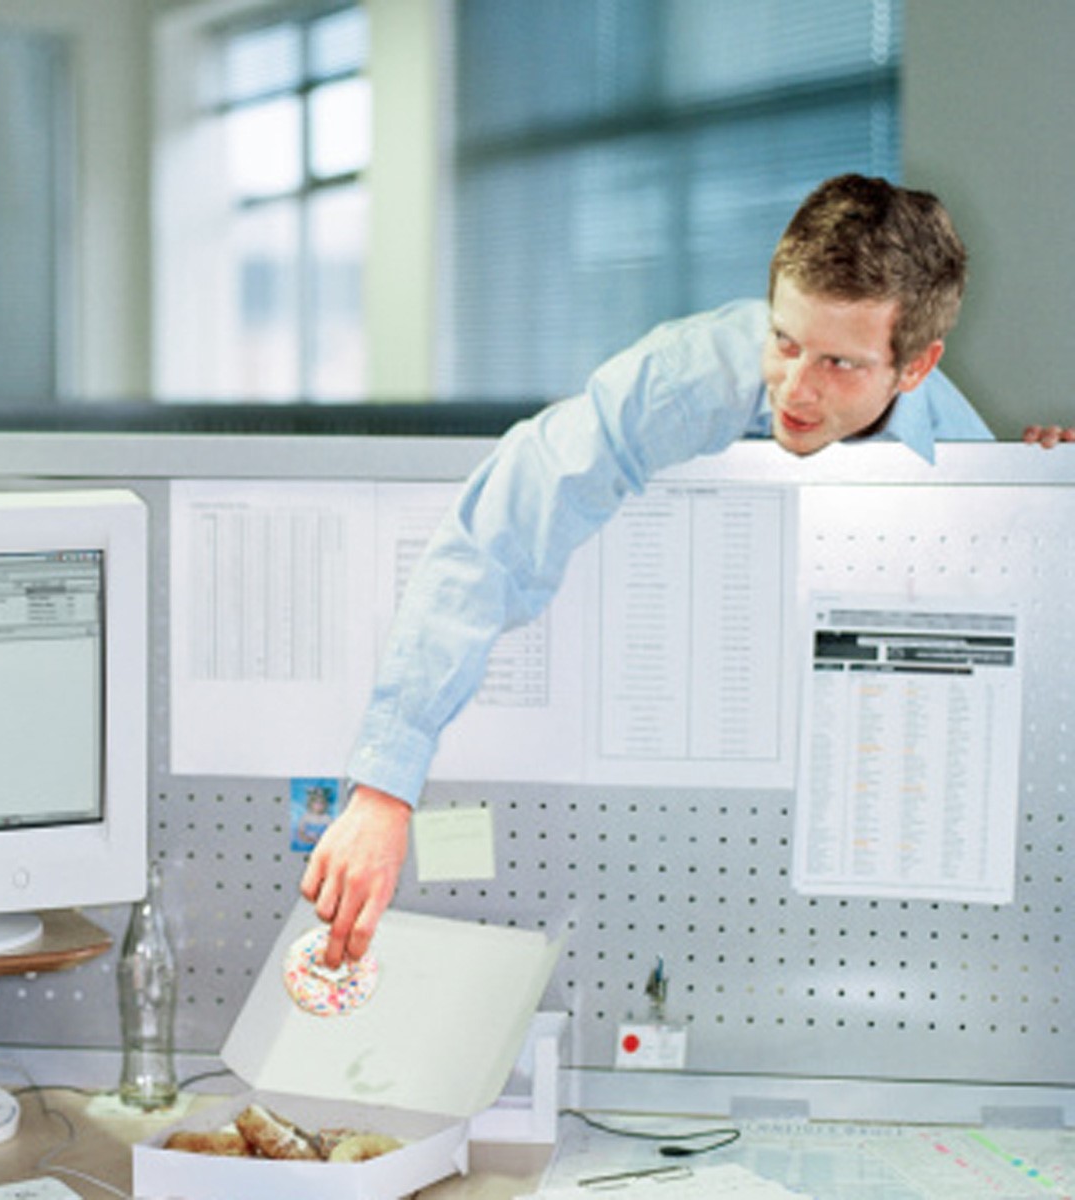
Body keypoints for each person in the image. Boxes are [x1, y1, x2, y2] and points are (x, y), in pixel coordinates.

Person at [301, 173, 1069, 968]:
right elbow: (499, 532)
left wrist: (1050, 502)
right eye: (785, 340)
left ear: (913, 369)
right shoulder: (689, 376)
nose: (796, 389)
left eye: (840, 363)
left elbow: (1009, 639)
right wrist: (385, 790)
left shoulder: (952, 440)